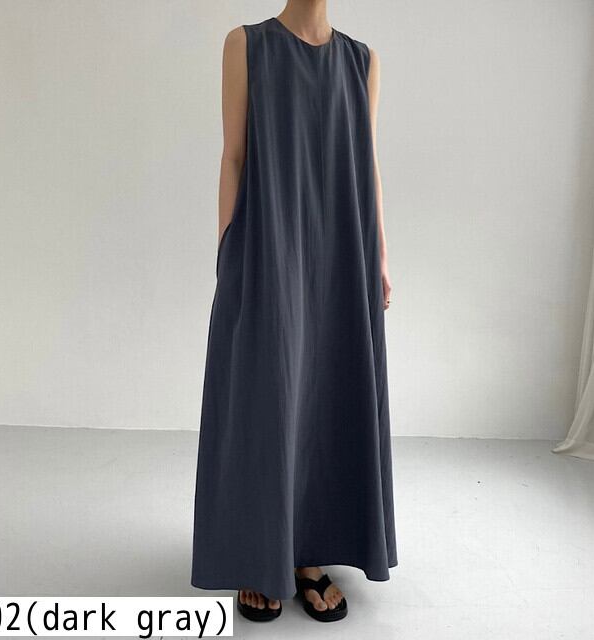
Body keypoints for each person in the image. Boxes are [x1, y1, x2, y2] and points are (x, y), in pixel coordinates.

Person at [191, 0, 397, 623]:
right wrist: (230, 250)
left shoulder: (362, 61)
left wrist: (381, 255)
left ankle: (309, 555)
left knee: (328, 392)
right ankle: (260, 551)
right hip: (267, 239)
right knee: (266, 394)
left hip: (342, 246)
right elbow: (232, 155)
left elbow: (367, 161)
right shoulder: (246, 44)